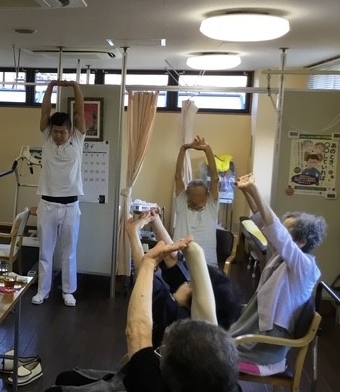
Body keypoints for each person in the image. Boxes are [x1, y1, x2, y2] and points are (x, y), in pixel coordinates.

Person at [228, 172, 327, 376]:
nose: (279, 233)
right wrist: (246, 191)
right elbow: (262, 221)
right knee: (213, 347)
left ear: (302, 241)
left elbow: (277, 232)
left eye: (286, 232)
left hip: (270, 342)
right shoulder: (282, 256)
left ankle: (269, 364)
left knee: (215, 356)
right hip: (258, 325)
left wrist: (254, 189)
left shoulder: (305, 266)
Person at [123, 239, 240, 392]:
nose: (186, 283)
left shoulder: (151, 384)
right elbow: (208, 327)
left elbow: (137, 332)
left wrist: (148, 263)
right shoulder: (229, 387)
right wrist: (194, 252)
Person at [127, 210, 241, 347]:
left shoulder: (178, 319)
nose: (186, 282)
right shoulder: (191, 305)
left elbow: (144, 276)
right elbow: (173, 260)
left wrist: (133, 232)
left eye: (189, 284)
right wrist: (155, 221)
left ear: (195, 300)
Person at [33, 80, 86, 307]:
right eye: (55, 132)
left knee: (69, 252)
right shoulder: (46, 138)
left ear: (70, 131)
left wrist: (75, 86)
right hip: (47, 204)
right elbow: (45, 112)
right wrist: (51, 86)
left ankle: (68, 291)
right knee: (45, 252)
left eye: (63, 132)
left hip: (70, 206)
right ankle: (42, 291)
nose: (58, 136)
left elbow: (80, 111)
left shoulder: (77, 139)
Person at [173, 136, 220, 265]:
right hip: (181, 263)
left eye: (200, 203)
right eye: (192, 203)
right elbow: (178, 177)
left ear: (207, 196)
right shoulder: (182, 203)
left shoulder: (211, 205)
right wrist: (184, 148)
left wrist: (207, 149)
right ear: (187, 196)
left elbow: (215, 178)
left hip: (208, 264)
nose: (196, 205)